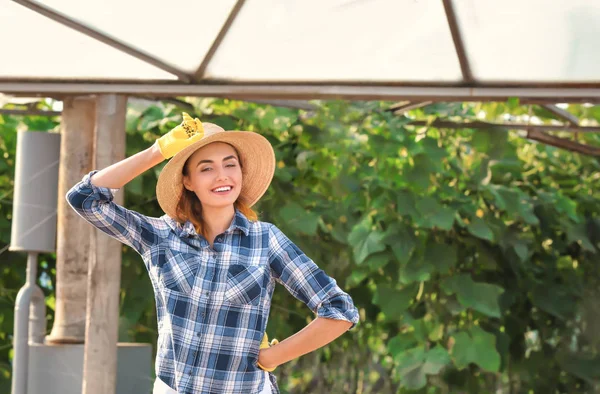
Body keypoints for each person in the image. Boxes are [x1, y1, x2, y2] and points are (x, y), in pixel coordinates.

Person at [66, 113, 360, 394]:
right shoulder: (161, 237)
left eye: (230, 165)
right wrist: (159, 150)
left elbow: (339, 310)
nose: (222, 176)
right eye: (206, 168)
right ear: (188, 182)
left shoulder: (265, 240)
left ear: (241, 173)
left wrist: (274, 357)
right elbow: (85, 199)